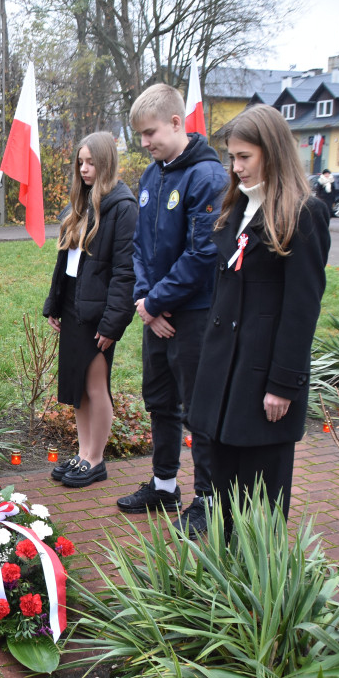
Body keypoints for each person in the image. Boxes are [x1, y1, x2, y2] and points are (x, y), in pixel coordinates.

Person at [187, 104, 331, 525]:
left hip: (263, 379)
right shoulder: (237, 207)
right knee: (225, 501)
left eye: (244, 157)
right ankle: (226, 580)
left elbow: (302, 307)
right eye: (232, 157)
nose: (236, 167)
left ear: (272, 152)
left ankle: (254, 583)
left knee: (260, 509)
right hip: (224, 378)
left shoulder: (304, 213)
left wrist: (283, 385)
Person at [115, 83, 226, 539]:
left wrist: (157, 302)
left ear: (178, 123)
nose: (144, 142)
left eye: (150, 132)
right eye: (140, 134)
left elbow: (202, 255)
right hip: (154, 313)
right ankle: (164, 487)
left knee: (198, 410)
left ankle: (208, 500)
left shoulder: (208, 178)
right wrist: (145, 302)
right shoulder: (152, 175)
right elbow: (140, 247)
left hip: (194, 315)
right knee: (160, 401)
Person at [45, 133, 137, 487]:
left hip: (99, 313)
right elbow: (64, 262)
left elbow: (125, 272)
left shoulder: (123, 208)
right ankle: (84, 453)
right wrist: (54, 303)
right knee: (79, 385)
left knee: (96, 384)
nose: (84, 169)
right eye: (80, 162)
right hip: (72, 306)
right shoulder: (77, 205)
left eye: (91, 162)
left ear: (107, 163)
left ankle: (96, 459)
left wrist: (113, 323)